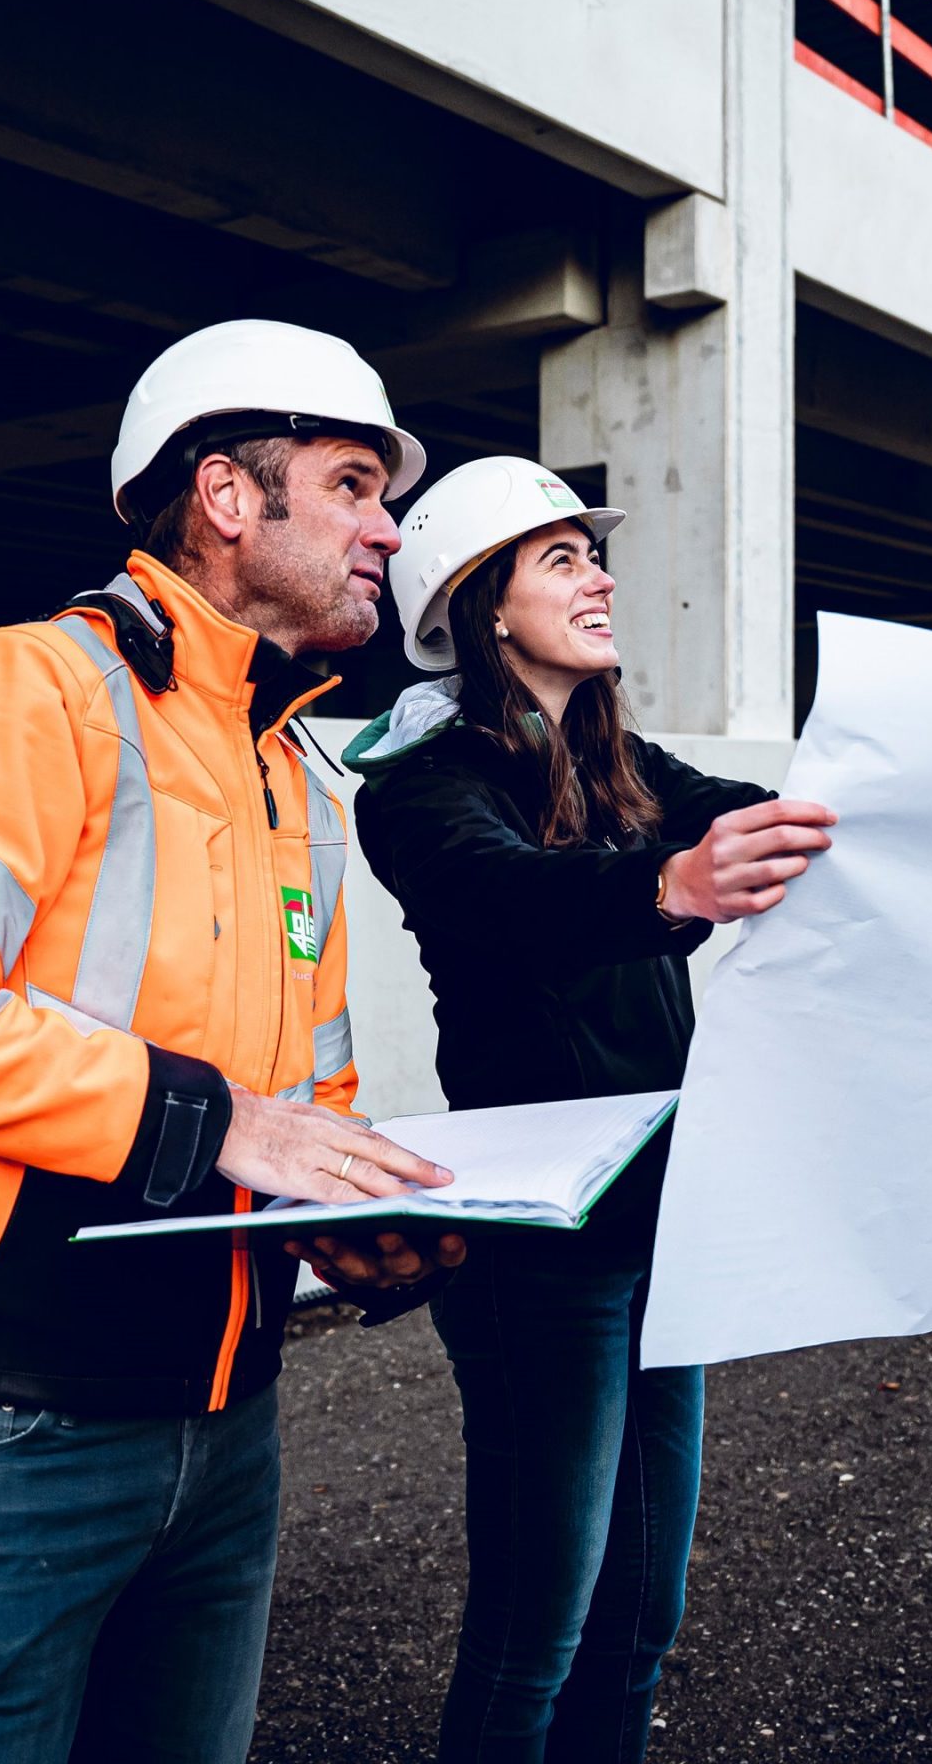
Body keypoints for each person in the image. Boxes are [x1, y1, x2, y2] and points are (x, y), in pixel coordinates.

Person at [0, 318, 466, 1763]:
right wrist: (224, 1124)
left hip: (226, 1428)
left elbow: (308, 1095)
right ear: (231, 497)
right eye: (355, 485)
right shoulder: (20, 688)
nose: (387, 527)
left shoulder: (301, 773)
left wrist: (346, 1218)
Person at [335, 456, 837, 1763]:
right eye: (561, 557)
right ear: (483, 603)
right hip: (538, 1253)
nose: (600, 574)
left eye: (591, 552)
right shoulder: (420, 787)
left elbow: (737, 819)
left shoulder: (615, 753)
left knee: (641, 1616)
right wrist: (675, 886)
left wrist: (833, 826)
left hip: (663, 1223)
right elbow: (522, 903)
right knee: (536, 1630)